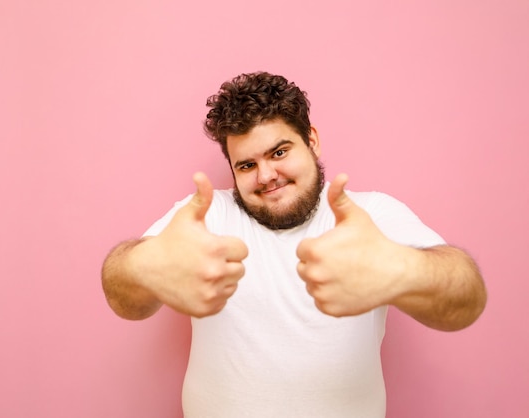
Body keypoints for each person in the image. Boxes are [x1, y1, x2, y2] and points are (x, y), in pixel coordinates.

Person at [101, 72, 487, 417]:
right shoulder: (204, 216)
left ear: (312, 141)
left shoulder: (370, 216)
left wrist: (399, 269)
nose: (267, 175)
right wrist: (146, 266)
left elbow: (465, 298)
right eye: (246, 165)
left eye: (279, 152)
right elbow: (122, 294)